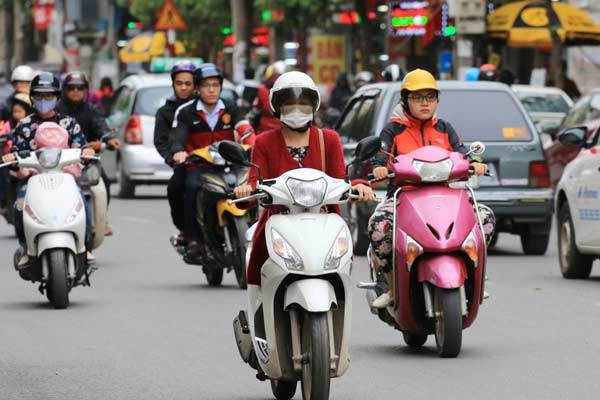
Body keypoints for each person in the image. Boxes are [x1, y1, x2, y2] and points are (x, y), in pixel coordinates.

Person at [233, 71, 375, 287]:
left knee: (341, 273)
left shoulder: (329, 139)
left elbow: (340, 181)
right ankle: (258, 316)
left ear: (314, 105)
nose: (297, 110)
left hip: (324, 223)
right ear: (277, 107)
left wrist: (359, 186)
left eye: (303, 103)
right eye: (289, 104)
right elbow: (255, 183)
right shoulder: (263, 142)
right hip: (278, 223)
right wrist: (245, 190)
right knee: (257, 267)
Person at [367, 69, 495, 308]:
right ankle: (391, 286)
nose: (425, 103)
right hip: (403, 196)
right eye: (417, 97)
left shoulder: (445, 128)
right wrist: (379, 169)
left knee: (485, 218)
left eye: (430, 97)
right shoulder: (393, 130)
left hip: (445, 197)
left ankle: (476, 280)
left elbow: (462, 153)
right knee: (379, 225)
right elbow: (380, 158)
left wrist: (476, 165)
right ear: (405, 100)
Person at [1, 72, 94, 264]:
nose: (44, 101)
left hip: (65, 178)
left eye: (49, 97)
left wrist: (87, 152)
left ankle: (85, 247)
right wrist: (12, 156)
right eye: (39, 97)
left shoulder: (69, 123)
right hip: (33, 179)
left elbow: (81, 146)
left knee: (83, 205)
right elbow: (16, 150)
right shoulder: (24, 125)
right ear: (32, 98)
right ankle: (26, 248)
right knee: (19, 207)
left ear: (57, 98)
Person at [170, 63, 255, 260]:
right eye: (206, 85)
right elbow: (177, 138)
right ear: (197, 88)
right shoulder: (185, 112)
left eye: (215, 85)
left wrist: (253, 142)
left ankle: (257, 229)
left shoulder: (231, 108)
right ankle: (193, 240)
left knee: (252, 187)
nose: (211, 90)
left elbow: (244, 128)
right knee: (190, 188)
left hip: (230, 163)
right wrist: (179, 152)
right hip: (199, 166)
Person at [57, 71, 121, 236]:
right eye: (71, 87)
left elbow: (102, 126)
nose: (76, 91)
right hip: (58, 162)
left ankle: (100, 219)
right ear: (64, 90)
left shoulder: (92, 110)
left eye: (81, 87)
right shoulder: (55, 111)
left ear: (86, 90)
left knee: (104, 181)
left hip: (86, 159)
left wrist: (110, 139)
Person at [153, 61, 197, 245]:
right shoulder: (165, 112)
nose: (184, 87)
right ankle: (186, 230)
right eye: (179, 83)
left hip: (214, 163)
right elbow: (162, 142)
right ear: (173, 84)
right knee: (175, 188)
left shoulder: (206, 106)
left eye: (188, 83)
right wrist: (174, 159)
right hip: (185, 164)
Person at [247, 61, 287, 133]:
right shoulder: (264, 89)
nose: (277, 78)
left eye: (279, 75)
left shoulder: (284, 89)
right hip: (268, 127)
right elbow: (266, 107)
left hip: (281, 127)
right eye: (276, 75)